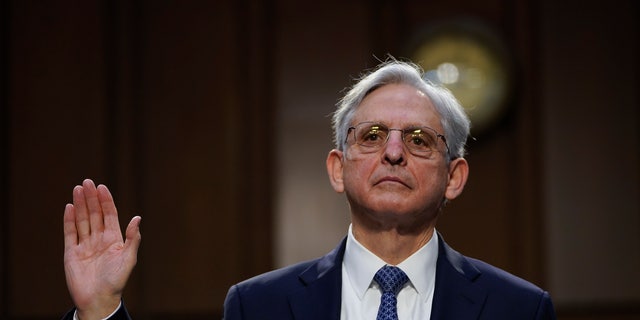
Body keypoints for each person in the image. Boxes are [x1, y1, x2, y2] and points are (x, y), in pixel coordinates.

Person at [62, 59, 556, 319]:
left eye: (420, 139)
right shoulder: (258, 307)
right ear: (338, 168)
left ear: (454, 178)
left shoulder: (517, 308)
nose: (393, 152)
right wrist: (100, 311)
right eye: (372, 135)